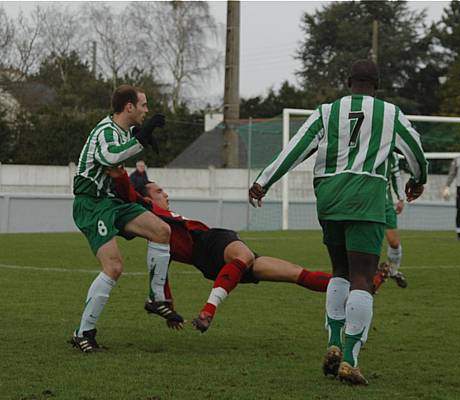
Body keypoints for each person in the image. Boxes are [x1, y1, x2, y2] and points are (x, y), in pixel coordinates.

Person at [248, 60, 428, 385]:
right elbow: (415, 150)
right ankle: (349, 359)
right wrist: (418, 179)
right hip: (367, 197)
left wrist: (264, 180)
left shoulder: (326, 112)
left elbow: (295, 148)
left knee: (340, 271)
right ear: (377, 85)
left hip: (329, 197)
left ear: (348, 82)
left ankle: (332, 341)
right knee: (363, 276)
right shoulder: (389, 114)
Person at [108, 169, 388, 331]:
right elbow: (160, 270)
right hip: (209, 254)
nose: (165, 194)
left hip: (214, 247)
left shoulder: (160, 225)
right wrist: (166, 305)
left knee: (295, 273)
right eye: (159, 191)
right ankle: (208, 311)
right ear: (146, 198)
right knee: (250, 260)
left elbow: (161, 271)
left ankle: (362, 287)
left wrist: (168, 305)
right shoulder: (151, 220)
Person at [70, 85, 181, 353]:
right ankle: (83, 333)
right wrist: (141, 140)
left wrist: (140, 137)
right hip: (92, 204)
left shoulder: (122, 131)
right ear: (129, 107)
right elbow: (109, 157)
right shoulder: (105, 131)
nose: (146, 110)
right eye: (143, 105)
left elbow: (124, 149)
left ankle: (155, 299)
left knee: (162, 231)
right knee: (114, 267)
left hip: (111, 202)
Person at [380, 153, 408, 288]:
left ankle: (393, 271)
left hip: (385, 205)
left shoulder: (391, 155)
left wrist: (401, 198)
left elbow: (396, 176)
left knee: (394, 242)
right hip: (364, 204)